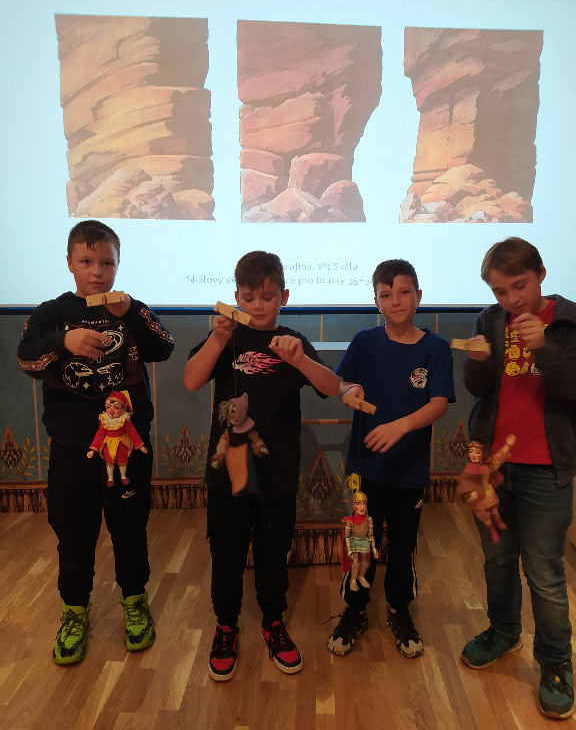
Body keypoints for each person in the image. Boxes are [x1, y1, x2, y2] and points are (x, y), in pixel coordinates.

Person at [17, 220, 174, 665]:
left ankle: (134, 602)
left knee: (130, 530)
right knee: (73, 535)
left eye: (107, 262)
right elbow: (26, 358)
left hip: (127, 450)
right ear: (70, 263)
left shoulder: (130, 309)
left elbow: (164, 346)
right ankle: (74, 611)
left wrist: (134, 313)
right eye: (86, 261)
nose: (97, 271)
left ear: (118, 265)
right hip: (73, 451)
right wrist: (64, 341)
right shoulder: (52, 312)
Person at [184, 250, 339, 682]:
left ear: (284, 297)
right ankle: (226, 627)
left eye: (267, 297)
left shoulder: (293, 341)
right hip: (227, 477)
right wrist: (217, 339)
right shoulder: (226, 338)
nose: (257, 305)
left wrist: (300, 360)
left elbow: (333, 387)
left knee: (273, 558)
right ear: (236, 297)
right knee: (226, 556)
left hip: (277, 478)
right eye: (248, 297)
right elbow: (192, 380)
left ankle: (274, 622)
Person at [460, 237, 576, 721]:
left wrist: (543, 348)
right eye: (500, 291)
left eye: (520, 286)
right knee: (497, 559)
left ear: (541, 274)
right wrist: (478, 360)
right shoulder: (489, 320)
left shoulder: (568, 321)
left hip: (547, 466)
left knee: (545, 572)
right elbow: (476, 388)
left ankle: (556, 662)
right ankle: (504, 631)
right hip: (494, 466)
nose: (511, 299)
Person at [327, 259, 455, 658]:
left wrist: (400, 427)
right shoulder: (364, 341)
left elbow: (438, 403)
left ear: (418, 296)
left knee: (402, 546)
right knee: (360, 544)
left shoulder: (436, 348)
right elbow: (343, 384)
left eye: (403, 292)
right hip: (365, 469)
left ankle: (399, 610)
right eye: (386, 294)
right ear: (376, 301)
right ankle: (355, 609)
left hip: (409, 470)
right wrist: (348, 391)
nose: (395, 301)